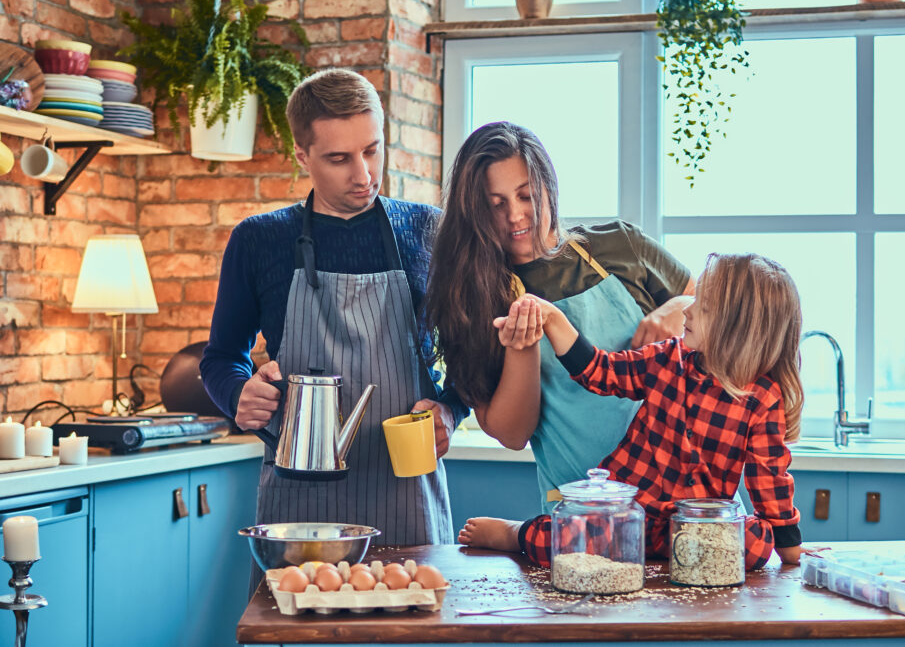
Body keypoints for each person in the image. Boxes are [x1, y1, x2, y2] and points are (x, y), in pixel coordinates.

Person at [200, 69, 466, 577]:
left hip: (406, 493)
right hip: (299, 505)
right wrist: (238, 394)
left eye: (372, 150)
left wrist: (451, 410)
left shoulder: (427, 230)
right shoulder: (259, 240)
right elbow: (220, 357)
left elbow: (471, 356)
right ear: (302, 156)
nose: (363, 174)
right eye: (339, 159)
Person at [461, 253, 805, 570]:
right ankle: (513, 533)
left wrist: (789, 549)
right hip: (626, 515)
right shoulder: (667, 359)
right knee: (565, 542)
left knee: (757, 547)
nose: (687, 310)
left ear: (738, 328)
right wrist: (553, 319)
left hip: (692, 527)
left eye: (704, 307)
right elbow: (599, 371)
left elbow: (770, 480)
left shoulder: (763, 400)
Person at [425, 121, 694, 512]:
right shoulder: (472, 299)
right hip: (582, 512)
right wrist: (523, 348)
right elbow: (512, 434)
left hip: (686, 494)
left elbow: (716, 307)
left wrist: (675, 308)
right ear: (474, 213)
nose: (515, 216)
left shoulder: (620, 246)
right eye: (495, 204)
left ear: (548, 188)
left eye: (526, 196)